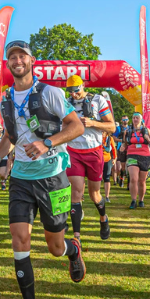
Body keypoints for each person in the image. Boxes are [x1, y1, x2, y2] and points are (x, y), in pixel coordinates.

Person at [0, 40, 86, 299]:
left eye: (21, 55)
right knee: (19, 237)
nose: (16, 60)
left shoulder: (50, 93)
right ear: (8, 64)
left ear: (31, 60)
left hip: (53, 178)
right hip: (21, 179)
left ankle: (71, 250)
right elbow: (9, 138)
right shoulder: (7, 99)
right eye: (11, 56)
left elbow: (76, 126)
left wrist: (47, 143)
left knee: (54, 247)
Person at [63, 74, 115, 240]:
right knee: (76, 193)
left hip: (94, 152)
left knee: (94, 194)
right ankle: (76, 236)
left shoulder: (98, 100)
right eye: (69, 91)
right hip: (74, 152)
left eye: (76, 90)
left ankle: (103, 219)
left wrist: (93, 123)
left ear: (83, 86)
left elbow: (112, 126)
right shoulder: (66, 103)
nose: (73, 94)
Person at [123, 112, 150, 208]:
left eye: (137, 118)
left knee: (142, 181)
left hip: (145, 156)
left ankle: (141, 200)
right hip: (132, 155)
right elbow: (125, 143)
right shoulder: (128, 130)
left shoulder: (146, 130)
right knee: (133, 179)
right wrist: (123, 147)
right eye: (133, 118)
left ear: (141, 120)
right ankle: (133, 200)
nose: (135, 119)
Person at [101, 130, 117, 203]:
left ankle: (107, 196)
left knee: (106, 178)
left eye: (103, 131)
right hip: (97, 160)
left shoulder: (110, 138)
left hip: (107, 160)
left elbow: (113, 149)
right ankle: (97, 195)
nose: (102, 132)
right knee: (96, 178)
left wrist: (114, 158)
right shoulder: (97, 137)